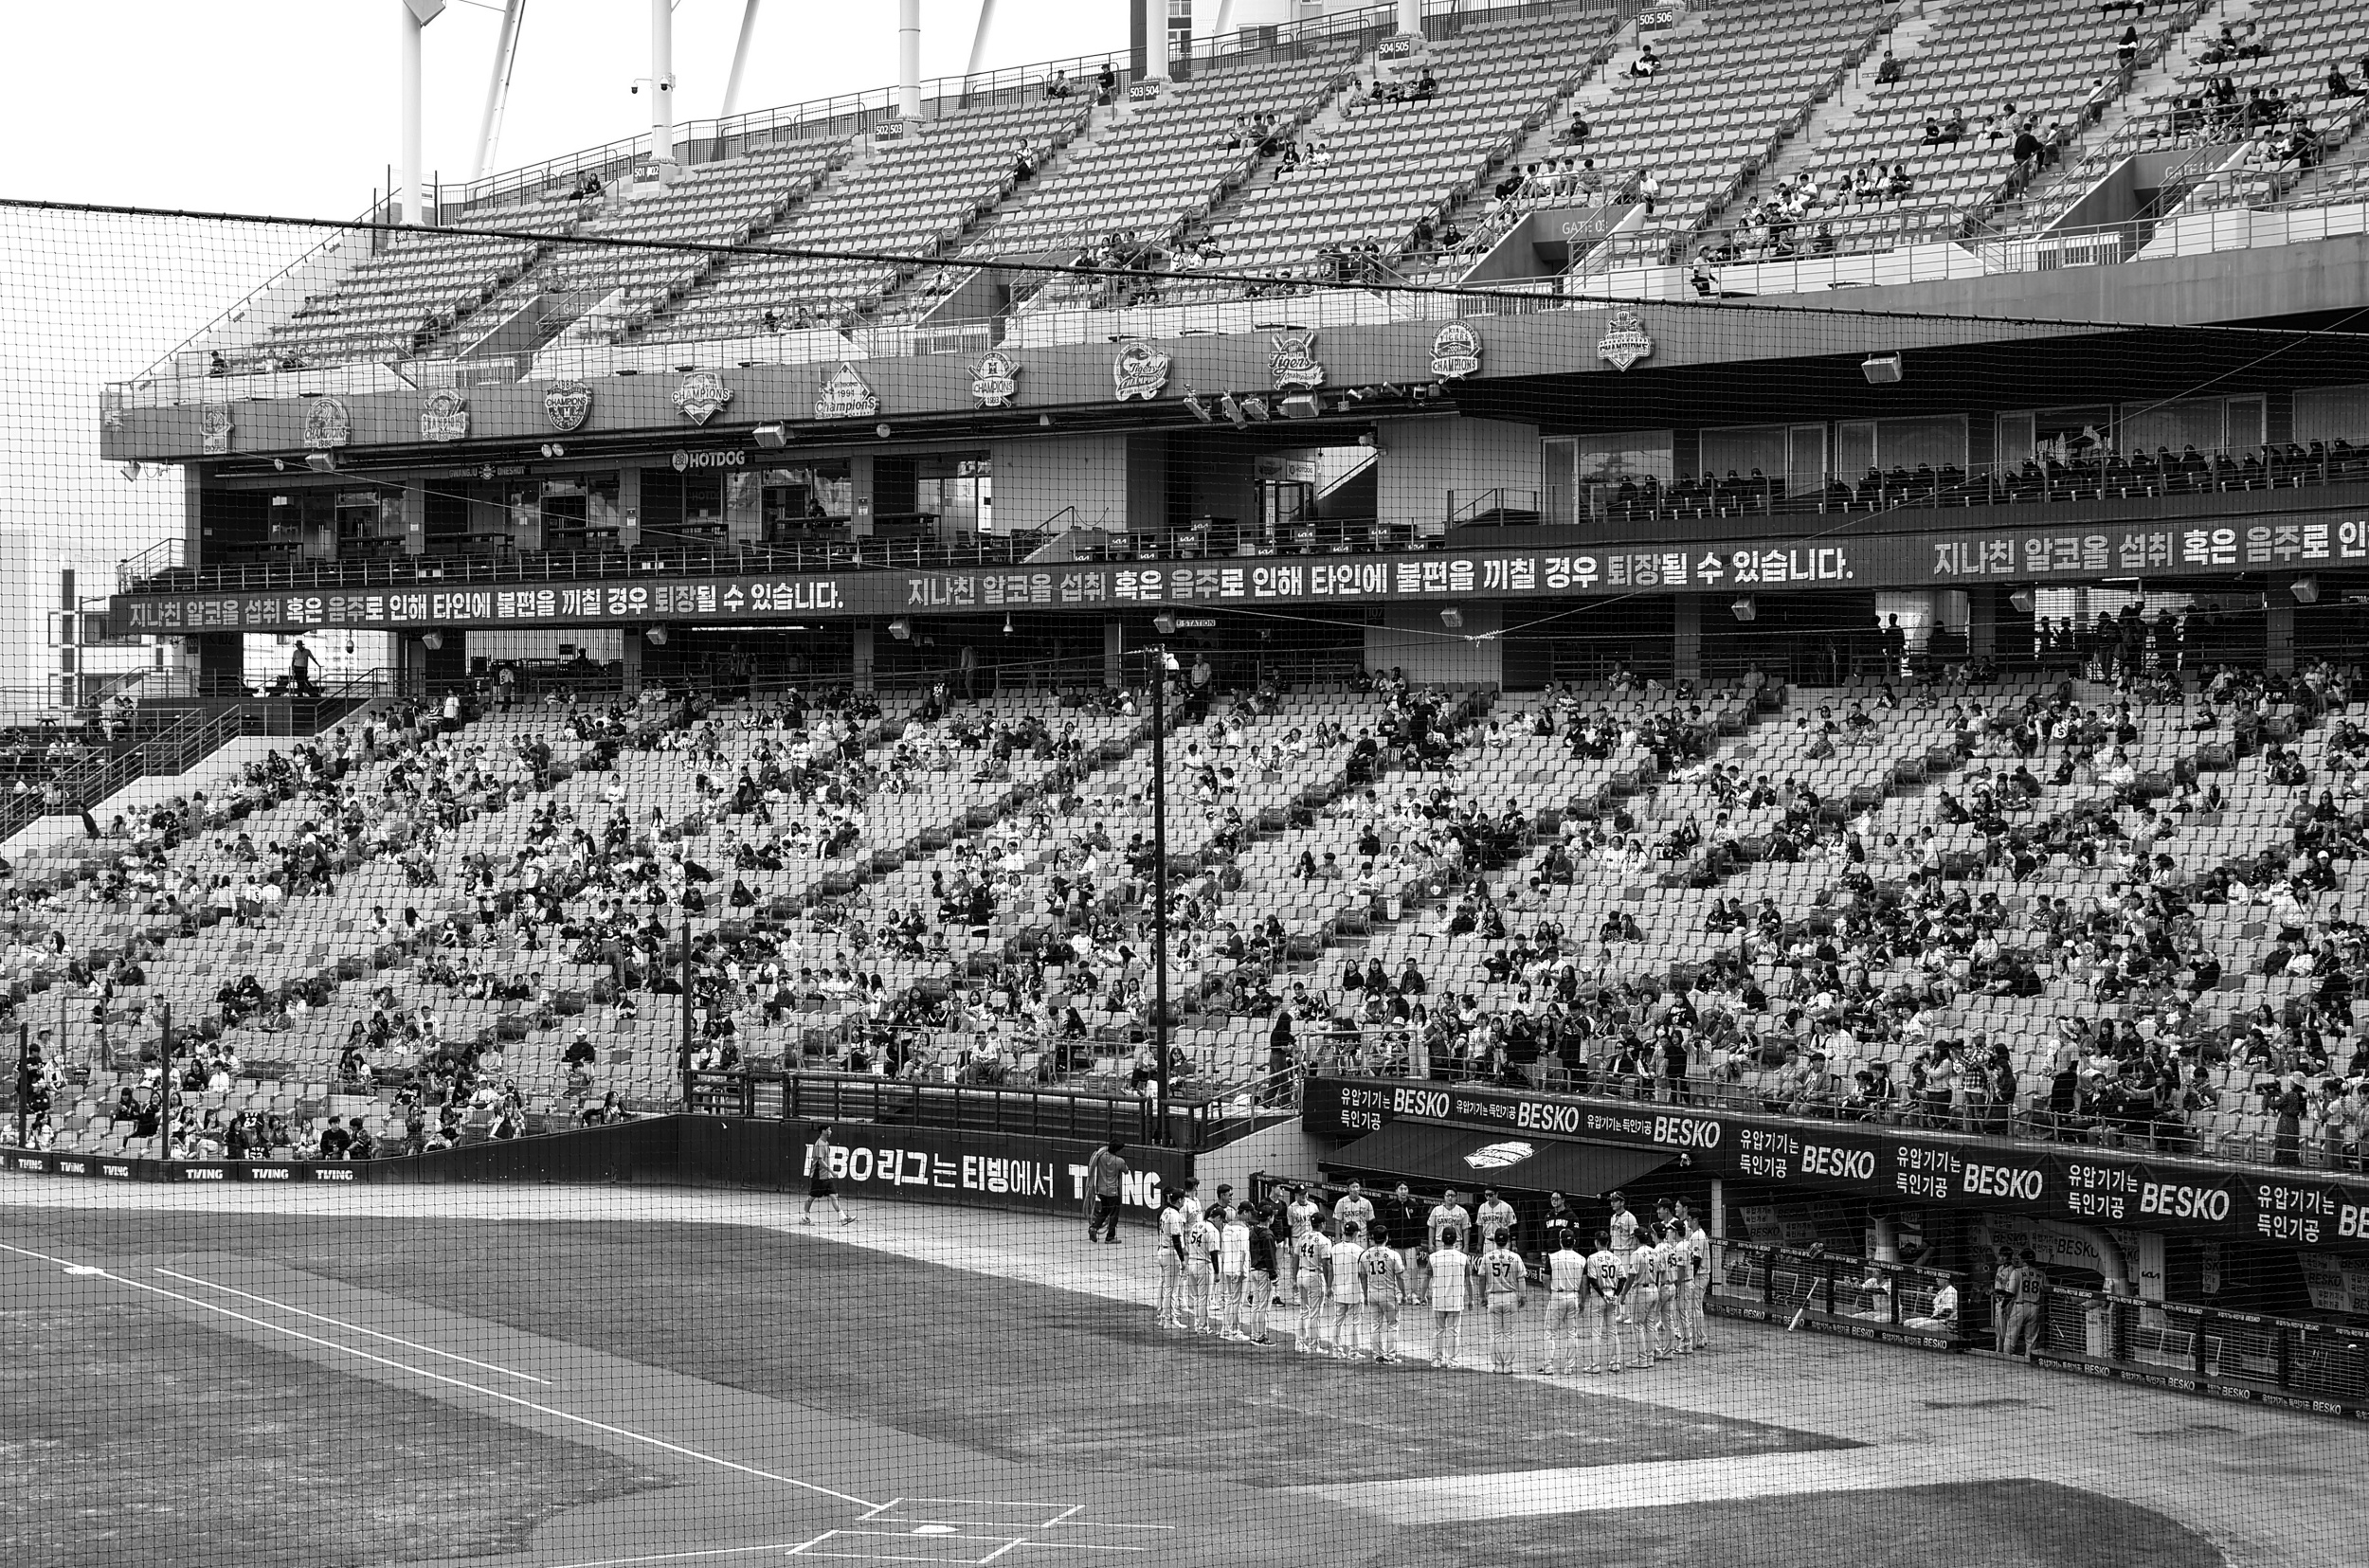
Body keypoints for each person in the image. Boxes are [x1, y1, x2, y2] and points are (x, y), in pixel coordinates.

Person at [1478, 1229, 1529, 1374]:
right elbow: (1521, 1278)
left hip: (1493, 1298)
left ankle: (1497, 1366)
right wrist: (1523, 1296)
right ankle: (1507, 1366)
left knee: (1495, 1334)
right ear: (1508, 1241)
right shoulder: (1515, 1257)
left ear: (1494, 1240)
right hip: (1510, 1298)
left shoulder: (1487, 1257)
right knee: (1509, 1334)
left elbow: (1481, 1278)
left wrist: (1482, 1297)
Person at [1360, 1223, 1408, 1363]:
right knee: (1393, 1324)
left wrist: (1365, 1295)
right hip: (1388, 1294)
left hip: (1372, 1293)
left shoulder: (1365, 1255)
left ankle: (1377, 1356)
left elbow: (1362, 1277)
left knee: (1375, 1325)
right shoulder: (1393, 1255)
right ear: (1387, 1237)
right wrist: (1404, 1294)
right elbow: (1400, 1277)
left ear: (1372, 1237)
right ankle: (1390, 1356)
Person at [1541, 1232, 1588, 1374]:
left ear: (1560, 1242)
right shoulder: (1582, 1259)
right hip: (1574, 1297)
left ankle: (1548, 1366)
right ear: (1574, 1242)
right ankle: (1569, 1367)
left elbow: (1545, 1279)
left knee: (1550, 1332)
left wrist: (1553, 1293)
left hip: (1557, 1295)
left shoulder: (1552, 1257)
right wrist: (1582, 1300)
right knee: (1572, 1333)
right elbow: (1584, 1283)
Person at [1427, 1227, 1473, 1370]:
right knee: (1454, 1331)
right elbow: (1469, 1280)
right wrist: (1471, 1299)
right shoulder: (1463, 1258)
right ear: (1456, 1240)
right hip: (1455, 1301)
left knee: (1438, 1331)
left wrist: (1422, 1296)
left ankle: (1436, 1360)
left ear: (1441, 1239)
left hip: (1438, 1299)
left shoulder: (1433, 1257)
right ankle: (1452, 1361)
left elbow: (1426, 1278)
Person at [1325, 1221, 1368, 1359]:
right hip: (1355, 1290)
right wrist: (1366, 1294)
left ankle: (1336, 1351)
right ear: (1356, 1233)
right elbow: (1363, 1275)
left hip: (1339, 1290)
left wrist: (1329, 1287)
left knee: (1337, 1321)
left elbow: (1330, 1269)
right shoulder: (1360, 1250)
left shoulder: (1335, 1248)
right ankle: (1354, 1352)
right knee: (1355, 1322)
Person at [1292, 1218, 1333, 1355]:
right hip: (1314, 1276)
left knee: (1304, 1311)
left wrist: (1294, 1279)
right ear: (1322, 1224)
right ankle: (1314, 1346)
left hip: (1301, 1274)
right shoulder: (1325, 1240)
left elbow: (1295, 1258)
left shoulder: (1303, 1236)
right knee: (1315, 1314)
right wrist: (1328, 1285)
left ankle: (1299, 1344)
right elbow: (1326, 1264)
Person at [801, 1124, 854, 1225]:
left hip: (826, 1177)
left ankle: (843, 1218)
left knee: (834, 1196)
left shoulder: (826, 1143)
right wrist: (832, 1171)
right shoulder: (819, 1144)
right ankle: (805, 1218)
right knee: (811, 1197)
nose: (831, 1132)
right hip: (818, 1176)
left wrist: (829, 1173)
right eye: (829, 1130)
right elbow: (820, 1162)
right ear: (823, 1131)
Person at [1216, 1205, 1254, 1340]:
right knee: (1237, 1302)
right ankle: (1234, 1332)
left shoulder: (1226, 1227)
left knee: (1230, 1300)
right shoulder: (1243, 1229)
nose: (1251, 1216)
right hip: (1239, 1269)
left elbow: (1223, 1249)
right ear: (1245, 1212)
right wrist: (1241, 1271)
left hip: (1227, 1267)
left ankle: (1225, 1330)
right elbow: (1243, 1251)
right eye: (1250, 1213)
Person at [1182, 1202, 1221, 1333]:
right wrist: (1217, 1272)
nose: (1221, 1224)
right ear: (1217, 1218)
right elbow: (1214, 1253)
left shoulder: (1195, 1226)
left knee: (1197, 1297)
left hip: (1191, 1263)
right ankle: (1202, 1327)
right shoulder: (1213, 1230)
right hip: (1204, 1265)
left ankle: (1197, 1325)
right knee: (1204, 1298)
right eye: (1221, 1221)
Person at [1243, 1203, 1279, 1344]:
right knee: (1263, 1307)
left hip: (1254, 1270)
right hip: (1264, 1272)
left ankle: (1254, 1335)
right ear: (1269, 1218)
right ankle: (1261, 1337)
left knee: (1256, 1305)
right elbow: (1270, 1257)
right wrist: (1273, 1276)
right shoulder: (1268, 1235)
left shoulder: (1252, 1231)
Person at [2001, 1248, 2048, 1358]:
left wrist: (2003, 1306)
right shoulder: (2041, 1274)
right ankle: (2029, 1361)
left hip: (2020, 1306)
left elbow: (2010, 1293)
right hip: (2035, 1308)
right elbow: (2047, 1292)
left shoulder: (2017, 1272)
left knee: (2011, 1335)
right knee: (2031, 1339)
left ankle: (2006, 1359)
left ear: (2022, 1259)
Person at [1083, 1138, 1129, 1243]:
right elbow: (1126, 1171)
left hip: (1101, 1190)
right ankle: (1110, 1237)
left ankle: (1094, 1227)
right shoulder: (1119, 1161)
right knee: (1113, 1215)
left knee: (1104, 1211)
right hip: (1113, 1192)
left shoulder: (1100, 1156)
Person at [1154, 1188, 1187, 1327]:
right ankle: (1169, 1320)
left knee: (1166, 1287)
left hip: (1162, 1250)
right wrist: (1182, 1259)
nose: (1185, 1201)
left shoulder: (1165, 1212)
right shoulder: (1174, 1215)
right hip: (1171, 1253)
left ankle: (1163, 1318)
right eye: (1183, 1198)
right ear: (1179, 1200)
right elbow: (1176, 1239)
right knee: (1172, 1290)